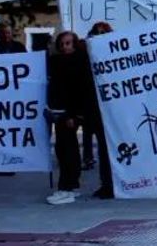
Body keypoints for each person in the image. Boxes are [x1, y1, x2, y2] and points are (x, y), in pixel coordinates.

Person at [46, 31, 91, 205]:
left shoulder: (80, 62)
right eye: (62, 44)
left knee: (68, 149)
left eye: (68, 43)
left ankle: (67, 187)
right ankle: (70, 184)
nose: (65, 47)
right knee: (62, 148)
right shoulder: (57, 62)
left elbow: (79, 91)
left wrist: (74, 115)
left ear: (74, 44)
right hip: (59, 111)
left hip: (70, 112)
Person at [82, 22, 114, 199]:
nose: (100, 36)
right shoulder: (87, 55)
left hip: (114, 108)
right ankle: (107, 184)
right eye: (97, 33)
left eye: (104, 33)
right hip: (95, 108)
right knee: (103, 147)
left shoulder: (115, 52)